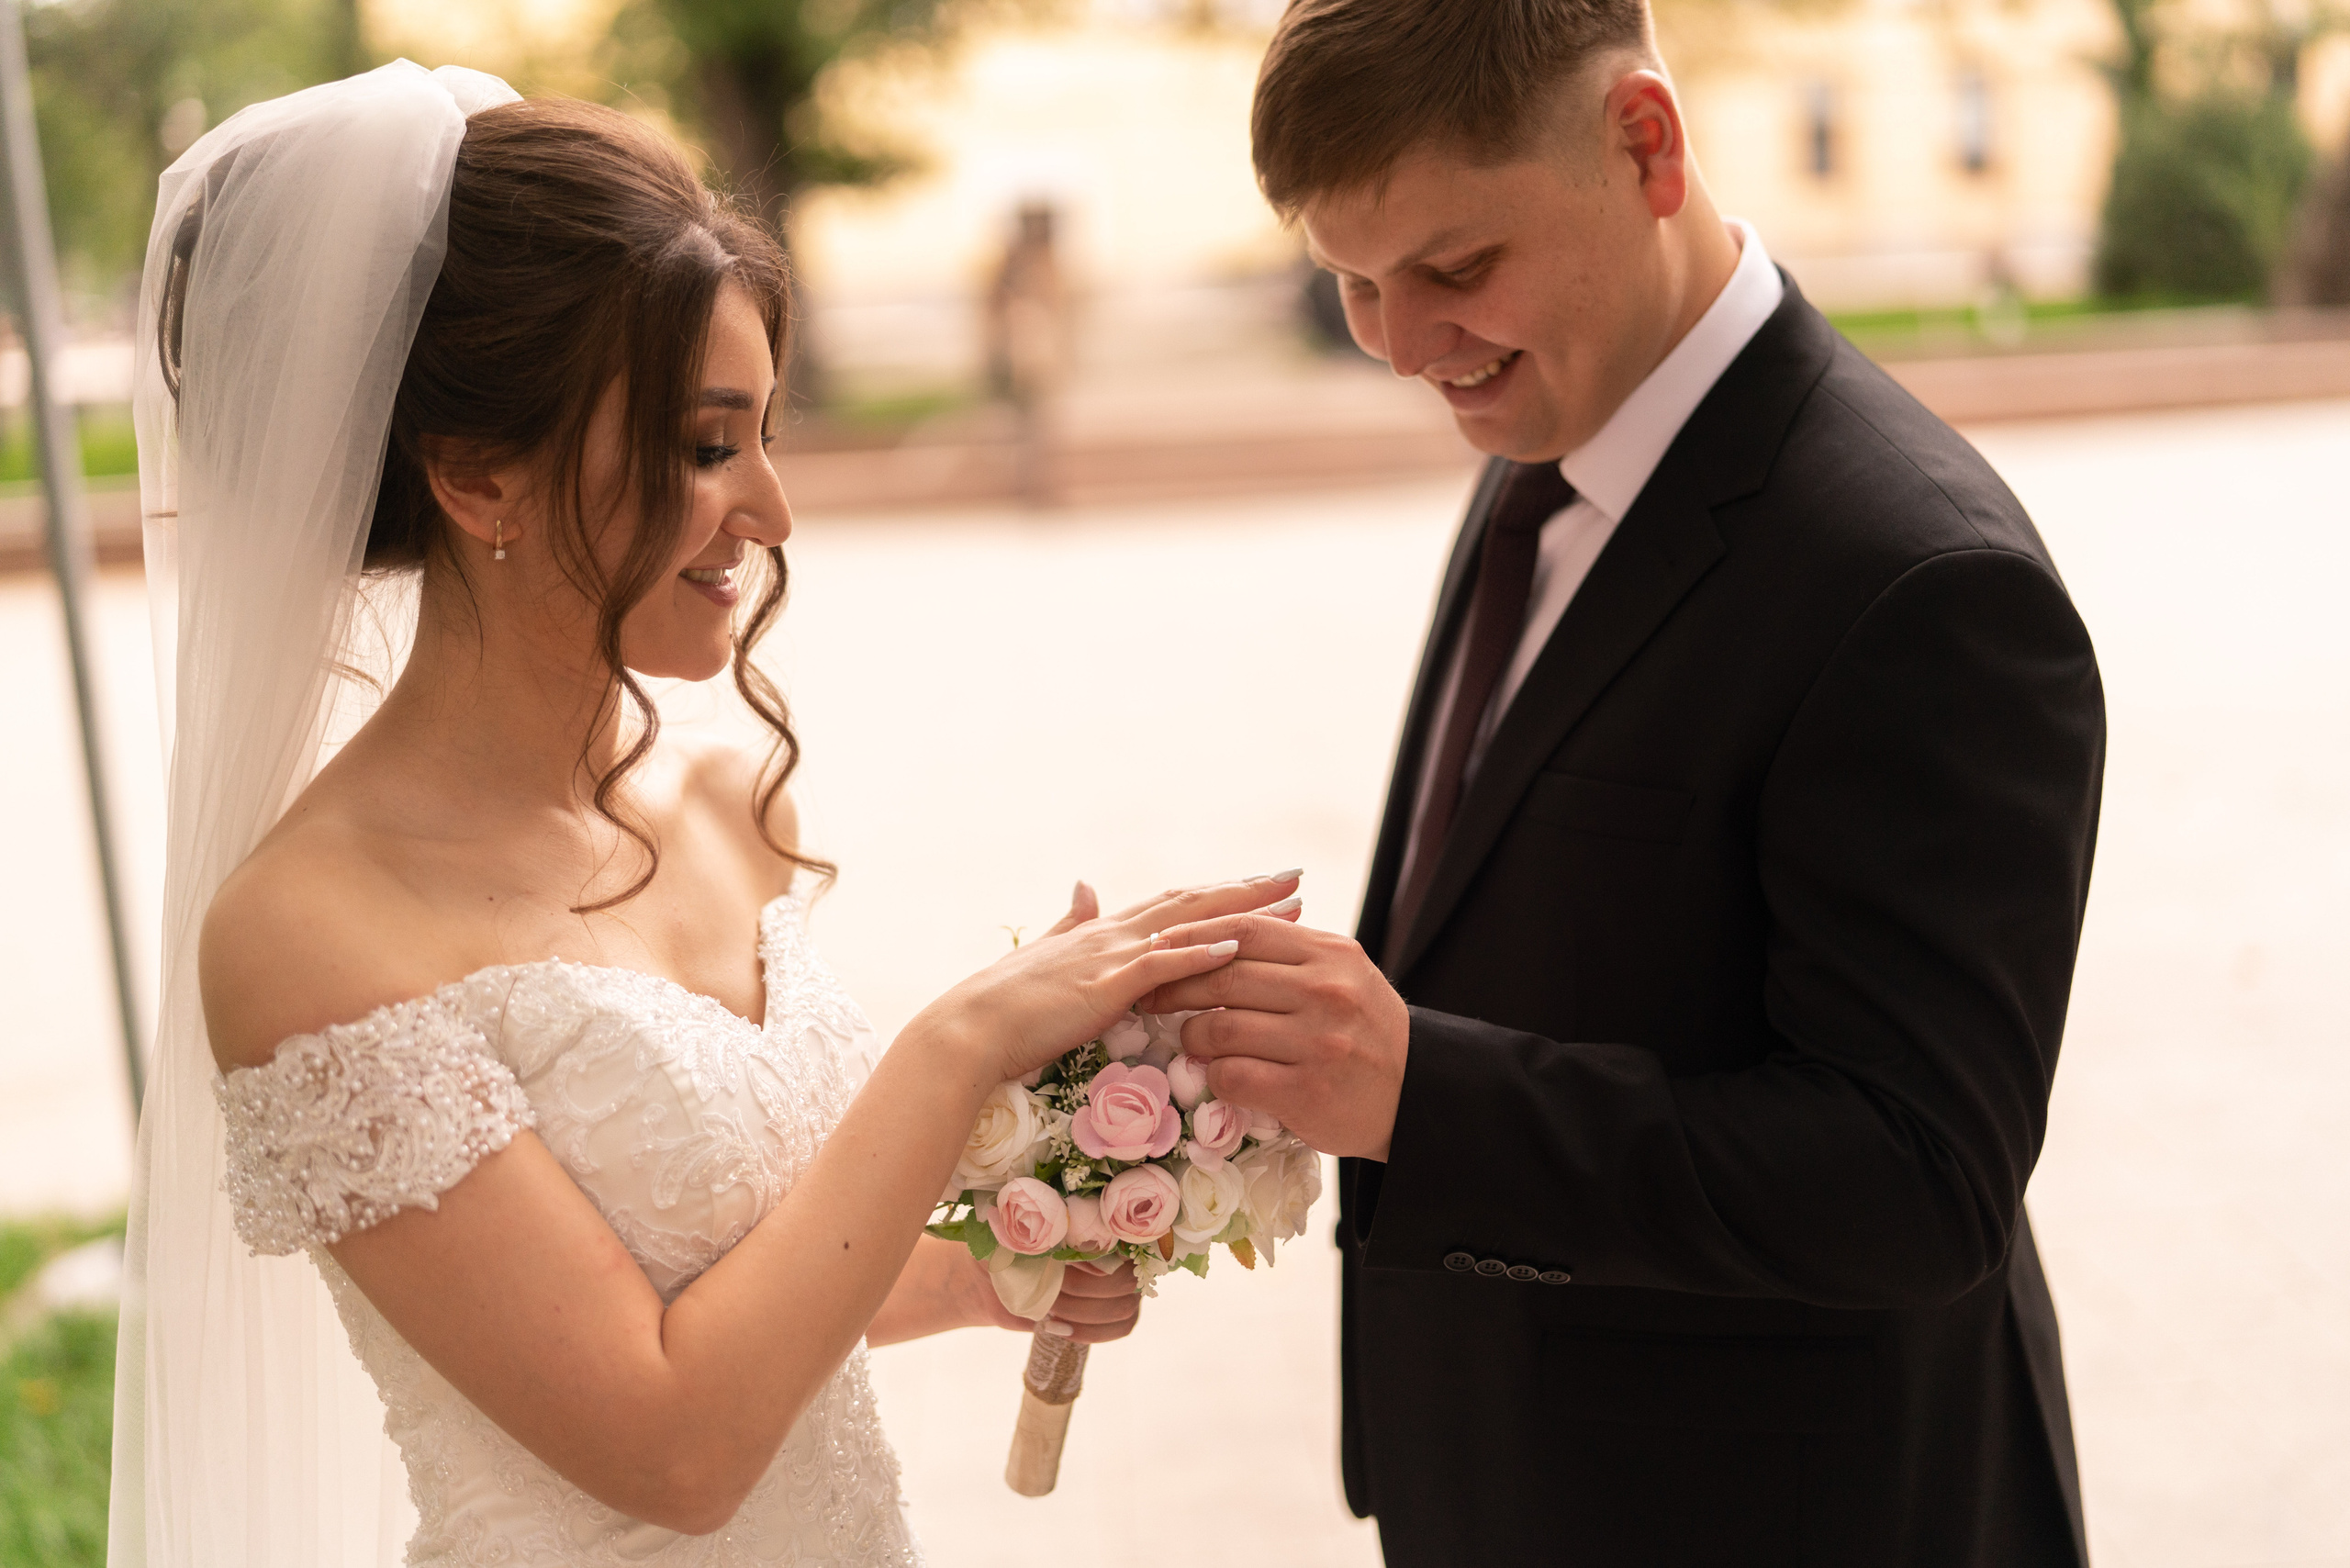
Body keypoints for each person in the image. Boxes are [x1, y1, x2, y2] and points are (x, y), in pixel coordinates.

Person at [115, 62, 1292, 1566]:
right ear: (480, 477)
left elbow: (749, 1278)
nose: (774, 511)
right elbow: (674, 1448)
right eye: (706, 444)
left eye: (768, 434)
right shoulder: (310, 933)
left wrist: (1012, 1256)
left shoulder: (719, 811)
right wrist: (959, 1047)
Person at [1147, 4, 2106, 1564]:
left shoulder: (1920, 579)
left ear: (1646, 145)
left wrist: (1416, 1089)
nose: (1400, 345)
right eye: (1352, 285)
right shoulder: (1554, 426)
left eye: (1454, 270)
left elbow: (1921, 1184)